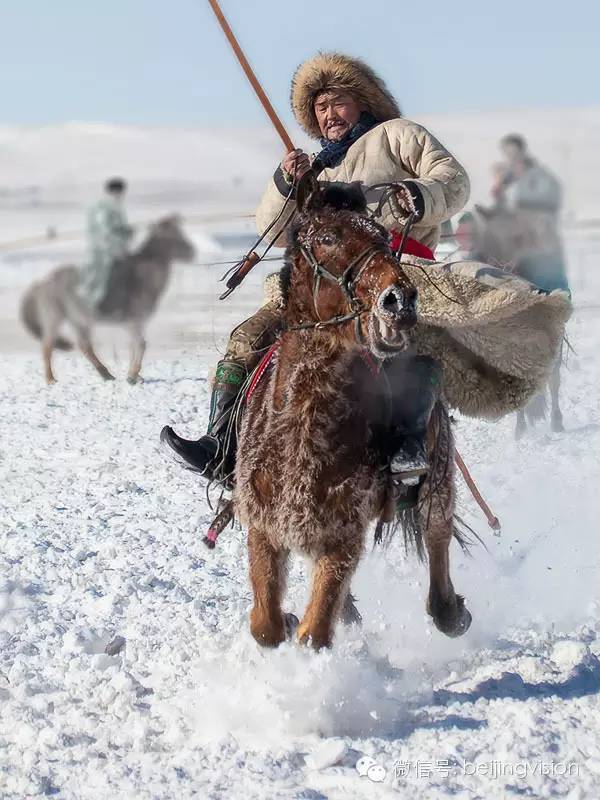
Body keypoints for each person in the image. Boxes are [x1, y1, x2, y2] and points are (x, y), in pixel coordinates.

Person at [162, 52, 470, 485]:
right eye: (321, 108)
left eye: (338, 102)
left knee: (406, 348)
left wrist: (417, 194)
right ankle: (222, 447)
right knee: (248, 338)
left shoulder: (397, 136)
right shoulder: (315, 168)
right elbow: (273, 229)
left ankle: (407, 445)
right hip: (324, 291)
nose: (329, 115)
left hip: (393, 274)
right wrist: (287, 183)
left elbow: (453, 180)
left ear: (361, 101)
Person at [492, 134, 569, 292]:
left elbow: (548, 201)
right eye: (507, 153)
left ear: (522, 151)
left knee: (550, 282)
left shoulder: (539, 175)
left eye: (513, 152)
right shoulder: (510, 179)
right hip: (523, 245)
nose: (510, 157)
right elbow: (500, 202)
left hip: (542, 242)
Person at [79, 178, 134, 308]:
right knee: (103, 276)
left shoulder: (115, 207)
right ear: (115, 192)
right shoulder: (103, 207)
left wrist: (127, 232)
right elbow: (106, 231)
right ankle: (93, 304)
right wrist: (123, 236)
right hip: (103, 250)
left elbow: (119, 228)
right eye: (120, 193)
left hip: (112, 248)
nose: (122, 197)